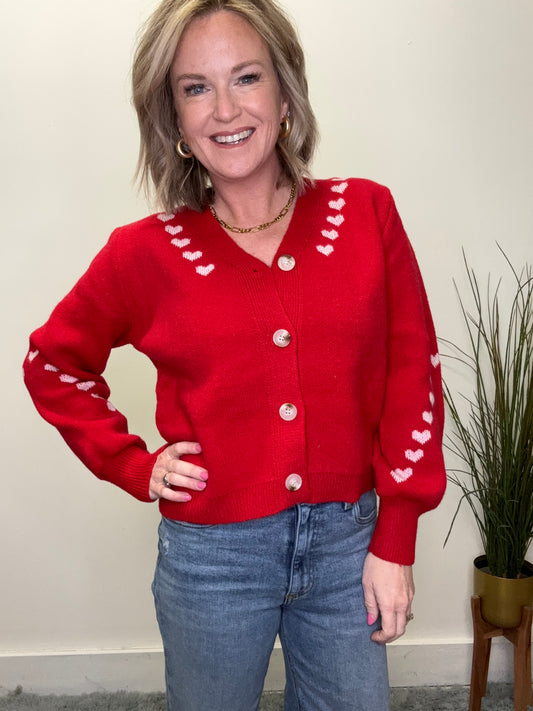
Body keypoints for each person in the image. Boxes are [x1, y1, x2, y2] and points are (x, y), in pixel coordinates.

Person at [23, 0, 446, 709]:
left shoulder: (367, 214)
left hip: (349, 543)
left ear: (284, 95)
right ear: (176, 122)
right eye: (195, 87)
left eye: (245, 77)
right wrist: (134, 462)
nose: (224, 108)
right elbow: (52, 364)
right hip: (212, 558)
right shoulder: (143, 253)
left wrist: (395, 536)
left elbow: (413, 375)